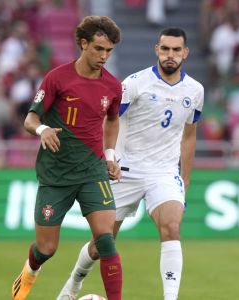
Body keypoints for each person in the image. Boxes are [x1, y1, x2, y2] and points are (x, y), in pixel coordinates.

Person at [57, 27, 204, 300]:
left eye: (176, 50)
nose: (170, 55)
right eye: (165, 49)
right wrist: (107, 157)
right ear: (156, 50)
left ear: (185, 53)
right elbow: (107, 120)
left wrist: (185, 178)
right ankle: (74, 282)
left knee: (172, 226)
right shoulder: (135, 84)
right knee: (102, 243)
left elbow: (189, 135)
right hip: (125, 170)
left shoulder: (195, 90)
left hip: (164, 172)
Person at [11, 16, 124, 300]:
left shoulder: (112, 86)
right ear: (83, 44)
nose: (104, 56)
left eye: (109, 50)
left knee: (106, 240)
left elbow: (112, 121)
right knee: (46, 249)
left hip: (92, 171)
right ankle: (30, 270)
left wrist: (110, 155)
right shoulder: (57, 78)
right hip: (56, 175)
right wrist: (43, 129)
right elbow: (30, 118)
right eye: (99, 49)